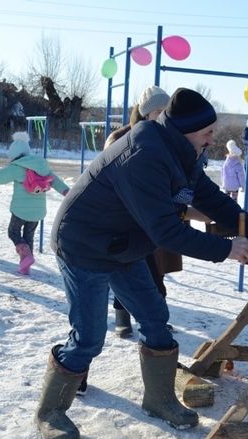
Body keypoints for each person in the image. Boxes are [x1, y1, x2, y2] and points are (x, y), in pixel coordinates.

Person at [35, 88, 248, 439]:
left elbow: (210, 198)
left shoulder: (181, 151)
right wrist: (227, 249)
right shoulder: (144, 153)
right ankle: (50, 412)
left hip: (123, 244)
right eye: (206, 132)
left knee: (155, 319)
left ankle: (158, 399)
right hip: (85, 246)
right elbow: (166, 231)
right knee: (89, 338)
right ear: (186, 130)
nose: (211, 139)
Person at [103, 86, 173, 341]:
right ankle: (122, 315)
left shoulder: (169, 139)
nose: (164, 116)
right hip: (125, 219)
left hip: (154, 218)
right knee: (128, 268)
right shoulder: (121, 137)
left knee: (156, 271)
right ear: (146, 113)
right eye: (158, 111)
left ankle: (157, 318)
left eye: (167, 111)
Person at [0, 132, 69, 275]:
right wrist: (67, 192)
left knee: (13, 232)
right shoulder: (41, 166)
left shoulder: (17, 167)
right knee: (28, 236)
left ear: (13, 154)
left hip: (20, 211)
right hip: (37, 212)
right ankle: (25, 265)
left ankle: (25, 257)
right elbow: (55, 181)